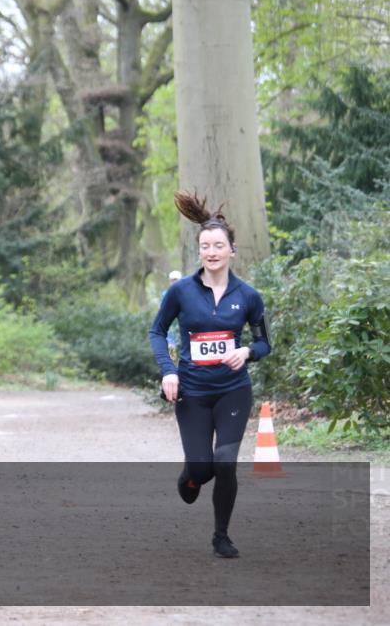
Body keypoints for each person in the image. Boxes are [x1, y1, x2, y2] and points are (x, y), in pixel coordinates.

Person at [148, 191, 271, 559]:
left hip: (234, 391)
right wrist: (168, 371)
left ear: (232, 249)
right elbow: (157, 331)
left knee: (226, 462)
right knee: (202, 471)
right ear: (198, 251)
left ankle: (221, 536)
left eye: (219, 245)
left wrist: (247, 351)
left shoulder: (248, 296)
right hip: (193, 393)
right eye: (205, 246)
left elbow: (265, 343)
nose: (212, 252)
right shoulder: (181, 292)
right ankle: (190, 474)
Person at [165, 270, 182, 361]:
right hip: (171, 329)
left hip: (183, 327)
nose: (174, 282)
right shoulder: (165, 294)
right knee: (172, 354)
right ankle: (173, 367)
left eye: (176, 280)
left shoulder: (186, 293)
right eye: (172, 280)